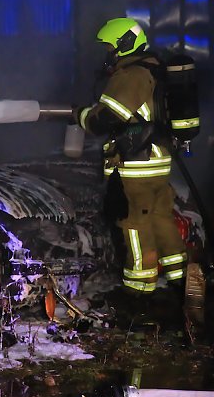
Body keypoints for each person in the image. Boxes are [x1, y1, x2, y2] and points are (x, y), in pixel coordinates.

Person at [73, 17, 187, 297]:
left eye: (111, 47)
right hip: (158, 162)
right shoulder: (154, 67)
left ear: (124, 44)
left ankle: (140, 290)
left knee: (134, 224)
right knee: (161, 218)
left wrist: (81, 115)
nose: (108, 53)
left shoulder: (131, 76)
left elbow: (106, 120)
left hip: (137, 165)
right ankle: (180, 278)